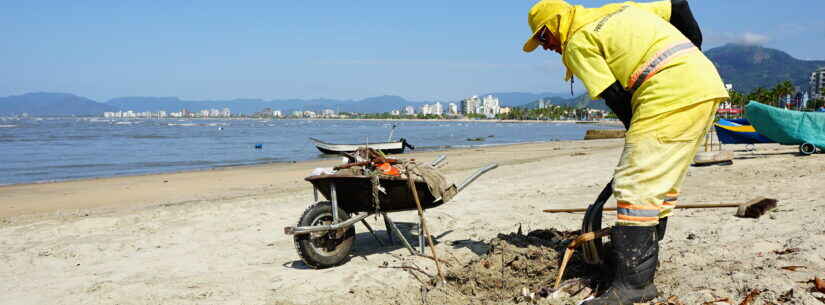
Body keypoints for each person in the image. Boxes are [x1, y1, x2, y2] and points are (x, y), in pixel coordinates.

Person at [523, 1, 729, 304]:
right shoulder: (617, 10)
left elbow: (614, 95)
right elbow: (677, 4)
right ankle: (641, 267)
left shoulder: (577, 40)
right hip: (703, 83)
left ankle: (633, 284)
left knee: (635, 182)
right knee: (661, 184)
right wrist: (693, 49)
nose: (545, 47)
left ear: (555, 24)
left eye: (542, 37)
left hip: (668, 91)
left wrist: (636, 133)